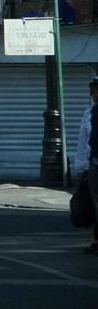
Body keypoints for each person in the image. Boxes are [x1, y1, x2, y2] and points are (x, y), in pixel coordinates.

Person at [77, 78, 98, 255]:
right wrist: (82, 166)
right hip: (94, 164)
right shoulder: (89, 113)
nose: (94, 94)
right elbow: (83, 142)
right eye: (93, 91)